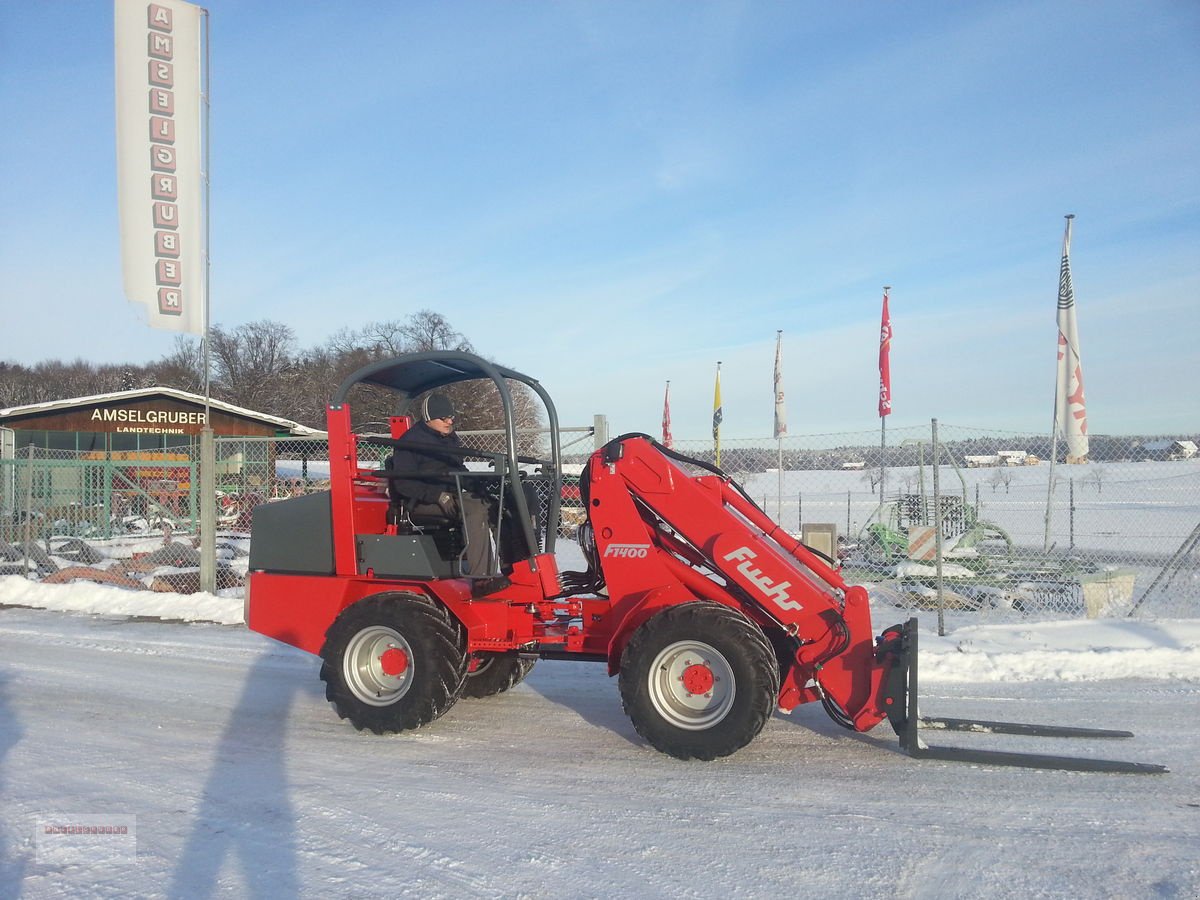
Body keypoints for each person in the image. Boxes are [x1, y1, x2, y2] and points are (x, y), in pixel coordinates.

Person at [386, 393, 508, 595]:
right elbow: (404, 484)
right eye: (444, 417)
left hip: (452, 494)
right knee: (475, 509)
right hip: (421, 501)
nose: (449, 421)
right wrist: (437, 495)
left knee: (496, 504)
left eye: (451, 417)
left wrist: (478, 485)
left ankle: (512, 567)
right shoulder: (411, 442)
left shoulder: (449, 440)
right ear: (429, 418)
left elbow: (458, 470)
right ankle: (481, 579)